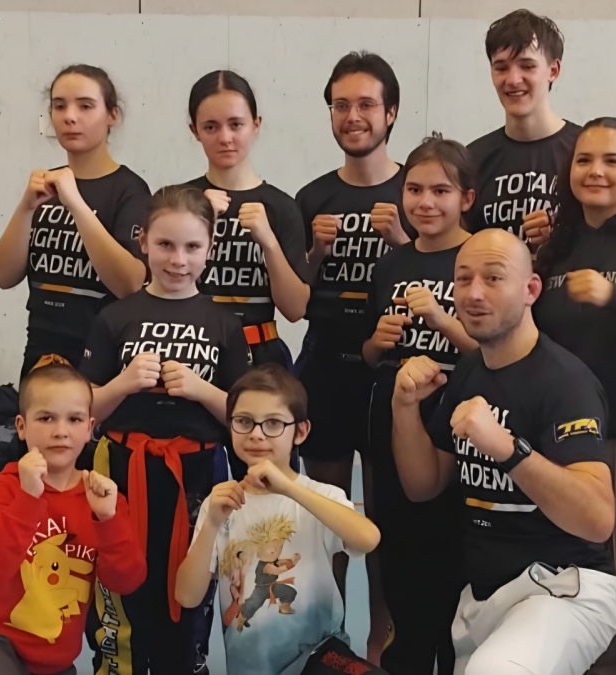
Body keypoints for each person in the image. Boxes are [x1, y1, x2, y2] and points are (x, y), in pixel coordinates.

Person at [392, 228, 616, 675]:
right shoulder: (469, 372)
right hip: (485, 593)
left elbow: (597, 520)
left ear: (531, 290)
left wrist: (508, 449)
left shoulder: (566, 383)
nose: (474, 293)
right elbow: (423, 485)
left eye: (494, 278)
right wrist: (404, 409)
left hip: (563, 588)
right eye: (463, 279)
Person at [79, 185, 250, 674]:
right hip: (123, 469)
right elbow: (84, 411)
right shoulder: (115, 317)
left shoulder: (224, 323)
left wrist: (201, 390)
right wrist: (122, 383)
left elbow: (243, 418)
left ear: (210, 248)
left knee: (190, 588)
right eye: (165, 245)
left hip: (197, 473)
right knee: (122, 582)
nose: (179, 260)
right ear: (143, 243)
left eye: (193, 247)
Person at [293, 51, 411, 661]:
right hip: (325, 368)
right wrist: (313, 252)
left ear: (390, 112)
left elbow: (443, 267)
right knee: (329, 518)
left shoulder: (416, 192)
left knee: (386, 518)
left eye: (366, 104)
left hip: (394, 375)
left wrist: (403, 241)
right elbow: (293, 296)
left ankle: (381, 644)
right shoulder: (312, 196)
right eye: (341, 105)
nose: (353, 116)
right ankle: (332, 646)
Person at [175, 364, 380, 675]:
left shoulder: (320, 495)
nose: (256, 434)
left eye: (273, 423)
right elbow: (187, 597)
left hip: (319, 658)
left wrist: (289, 488)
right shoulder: (221, 504)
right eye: (244, 421)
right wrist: (212, 523)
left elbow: (368, 539)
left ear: (300, 432)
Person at [0, 358, 146, 675]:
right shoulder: (4, 489)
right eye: (46, 418)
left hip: (53, 661)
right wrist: (28, 499)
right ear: (21, 426)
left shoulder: (102, 498)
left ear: (89, 428)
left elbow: (126, 580)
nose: (61, 431)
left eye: (74, 419)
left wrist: (108, 520)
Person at [362, 137, 478, 675]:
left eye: (440, 191)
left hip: (459, 420)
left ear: (467, 198)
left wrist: (440, 319)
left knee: (452, 549)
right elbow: (370, 354)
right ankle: (406, 654)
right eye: (414, 189)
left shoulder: (480, 256)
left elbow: (498, 349)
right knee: (399, 543)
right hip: (395, 414)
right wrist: (376, 342)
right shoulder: (392, 264)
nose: (425, 202)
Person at [534, 117, 616, 675]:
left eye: (611, 161)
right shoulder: (560, 244)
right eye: (584, 160)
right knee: (577, 591)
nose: (596, 171)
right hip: (561, 444)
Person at [0, 64, 150, 378]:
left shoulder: (129, 190)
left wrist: (76, 204)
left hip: (103, 352)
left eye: (86, 106)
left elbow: (130, 283)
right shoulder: (46, 186)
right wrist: (25, 208)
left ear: (112, 115)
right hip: (41, 350)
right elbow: (3, 276)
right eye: (59, 106)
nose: (70, 117)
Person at [185, 70, 309, 368]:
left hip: (261, 354)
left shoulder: (281, 207)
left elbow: (295, 310)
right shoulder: (178, 201)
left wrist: (269, 243)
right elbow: (152, 290)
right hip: (190, 348)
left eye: (236, 124)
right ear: (195, 131)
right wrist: (194, 221)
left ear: (256, 124)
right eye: (211, 126)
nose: (225, 138)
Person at [467, 10, 580, 245]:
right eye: (501, 67)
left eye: (527, 66)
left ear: (553, 71)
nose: (513, 80)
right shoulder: (472, 159)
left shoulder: (585, 152)